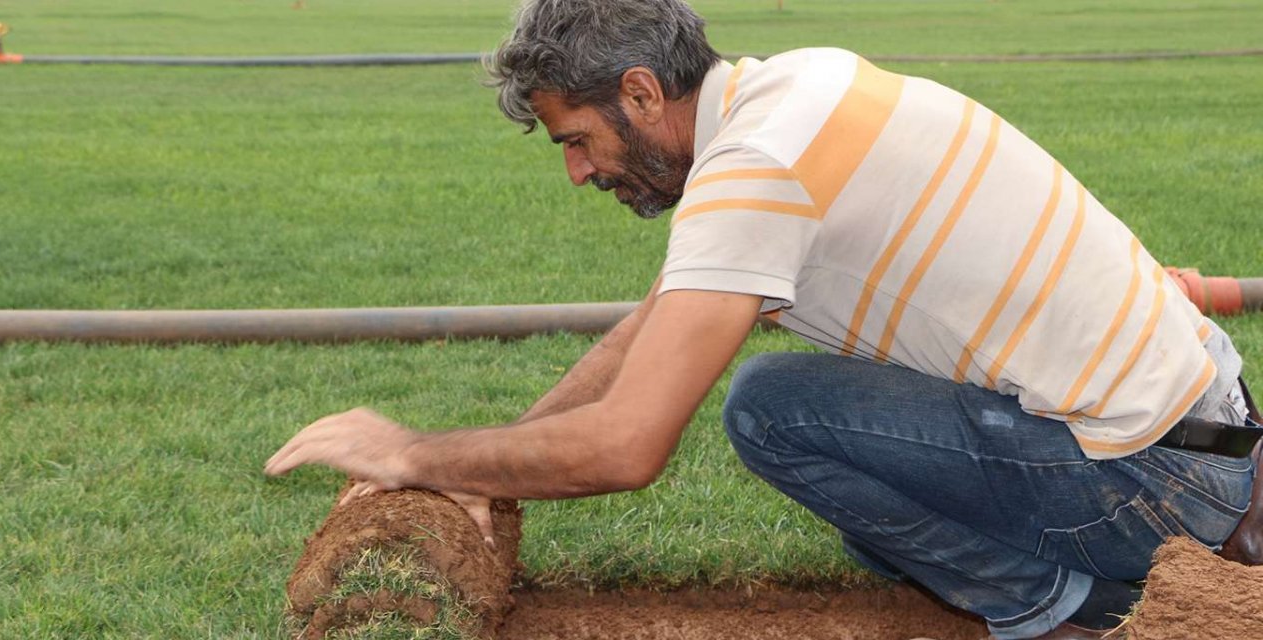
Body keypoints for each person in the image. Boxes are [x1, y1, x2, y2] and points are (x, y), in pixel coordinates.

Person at [264, 1, 1262, 638]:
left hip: (1146, 475)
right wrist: (499, 471)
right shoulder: (792, 89)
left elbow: (626, 446)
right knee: (874, 528)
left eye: (575, 140)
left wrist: (414, 452)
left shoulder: (754, 171)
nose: (577, 172)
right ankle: (1135, 555)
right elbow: (654, 326)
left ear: (642, 93)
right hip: (1205, 430)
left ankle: (1072, 607)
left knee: (771, 410)